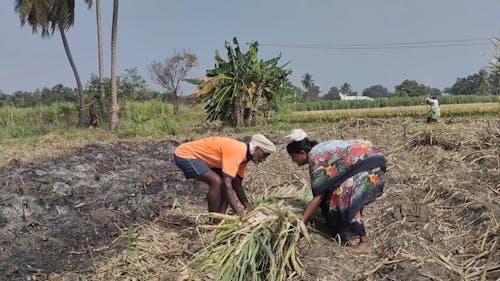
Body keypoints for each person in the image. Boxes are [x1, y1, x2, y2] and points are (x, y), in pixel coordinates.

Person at [285, 129, 386, 252]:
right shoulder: (317, 150)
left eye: (293, 156)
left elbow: (318, 196)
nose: (292, 160)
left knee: (343, 196)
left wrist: (300, 222)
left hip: (370, 164)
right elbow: (325, 190)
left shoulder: (316, 158)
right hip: (370, 159)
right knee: (333, 193)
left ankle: (364, 242)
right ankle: (340, 228)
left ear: (302, 153)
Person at [174, 134, 276, 216]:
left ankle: (221, 217)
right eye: (264, 155)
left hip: (199, 158)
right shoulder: (238, 151)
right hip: (184, 154)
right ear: (256, 148)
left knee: (226, 182)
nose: (264, 160)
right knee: (216, 181)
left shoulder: (244, 158)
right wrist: (238, 212)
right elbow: (228, 185)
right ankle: (214, 220)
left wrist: (248, 207)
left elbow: (237, 184)